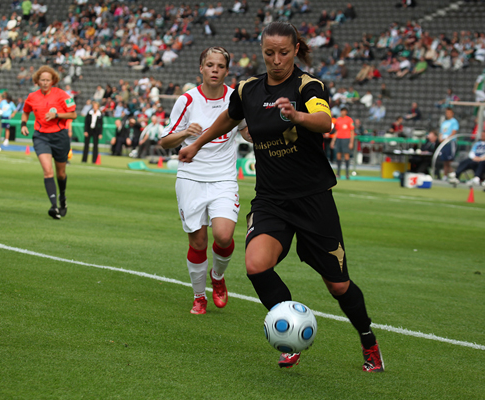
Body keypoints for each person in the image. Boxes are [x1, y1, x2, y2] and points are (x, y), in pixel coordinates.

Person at [178, 22, 383, 372]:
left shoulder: (308, 85)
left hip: (312, 199)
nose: (276, 60)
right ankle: (290, 333)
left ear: (296, 49)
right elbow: (228, 119)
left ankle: (369, 342)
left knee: (337, 285)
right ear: (261, 51)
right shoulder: (248, 90)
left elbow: (325, 121)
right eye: (269, 53)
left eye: (283, 53)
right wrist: (196, 144)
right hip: (271, 200)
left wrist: (297, 115)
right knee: (256, 265)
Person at [159, 47, 250, 315]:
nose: (214, 70)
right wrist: (186, 132)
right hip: (191, 178)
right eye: (209, 65)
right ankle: (199, 296)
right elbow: (164, 142)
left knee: (223, 236)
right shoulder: (187, 100)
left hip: (223, 178)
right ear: (201, 68)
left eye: (220, 66)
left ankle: (218, 278)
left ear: (226, 70)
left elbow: (245, 131)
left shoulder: (236, 98)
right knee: (198, 242)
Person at [21, 66, 76, 219]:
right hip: (41, 136)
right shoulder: (32, 96)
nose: (45, 82)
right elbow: (26, 111)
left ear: (53, 81)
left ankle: (62, 198)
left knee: (61, 173)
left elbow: (74, 114)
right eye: (42, 80)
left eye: (48, 80)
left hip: (59, 137)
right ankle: (53, 206)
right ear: (37, 81)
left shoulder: (62, 95)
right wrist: (23, 125)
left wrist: (57, 114)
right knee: (47, 170)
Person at [330, 107, 355, 179]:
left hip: (346, 139)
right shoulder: (338, 120)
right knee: (338, 155)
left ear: (346, 112)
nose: (343, 112)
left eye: (344, 111)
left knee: (346, 155)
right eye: (342, 111)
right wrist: (333, 141)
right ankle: (338, 173)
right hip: (339, 139)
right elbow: (336, 131)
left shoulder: (349, 120)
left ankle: (347, 173)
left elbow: (352, 131)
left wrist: (351, 142)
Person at [439, 107, 459, 179]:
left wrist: (446, 139)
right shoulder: (444, 122)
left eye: (449, 113)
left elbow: (454, 132)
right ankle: (445, 175)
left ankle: (453, 176)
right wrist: (441, 138)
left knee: (450, 161)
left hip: (450, 142)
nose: (448, 114)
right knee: (445, 161)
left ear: (452, 113)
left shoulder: (454, 121)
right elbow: (441, 132)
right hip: (444, 143)